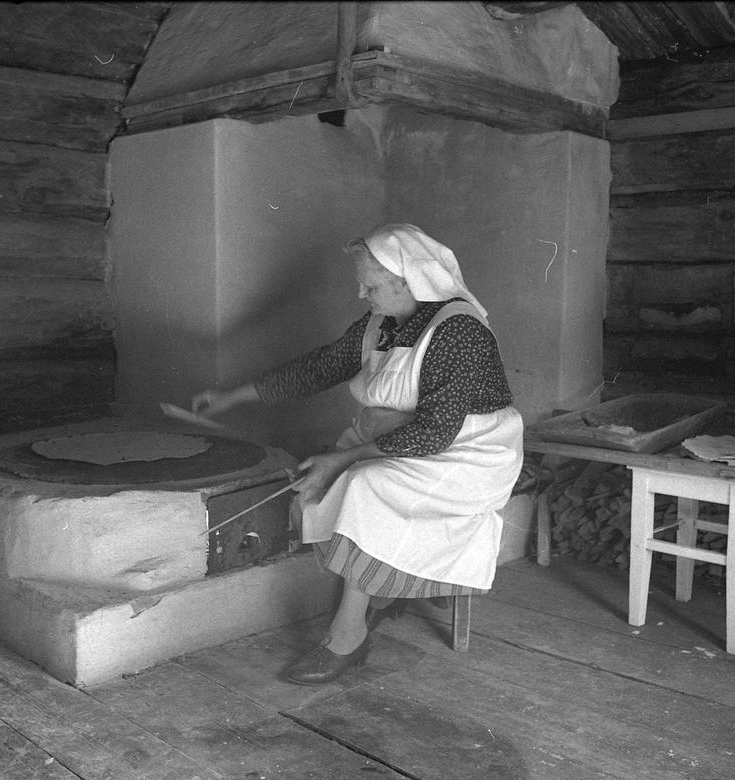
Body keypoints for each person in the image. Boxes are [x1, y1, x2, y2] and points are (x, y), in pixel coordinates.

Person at [191, 223, 523, 685]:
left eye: (370, 285)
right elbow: (320, 367)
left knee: (364, 486)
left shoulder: (458, 331)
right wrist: (233, 396)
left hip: (466, 453)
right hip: (399, 441)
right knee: (321, 480)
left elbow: (436, 432)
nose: (360, 293)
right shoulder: (381, 323)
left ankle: (348, 636)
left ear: (408, 281)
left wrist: (347, 458)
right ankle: (380, 591)